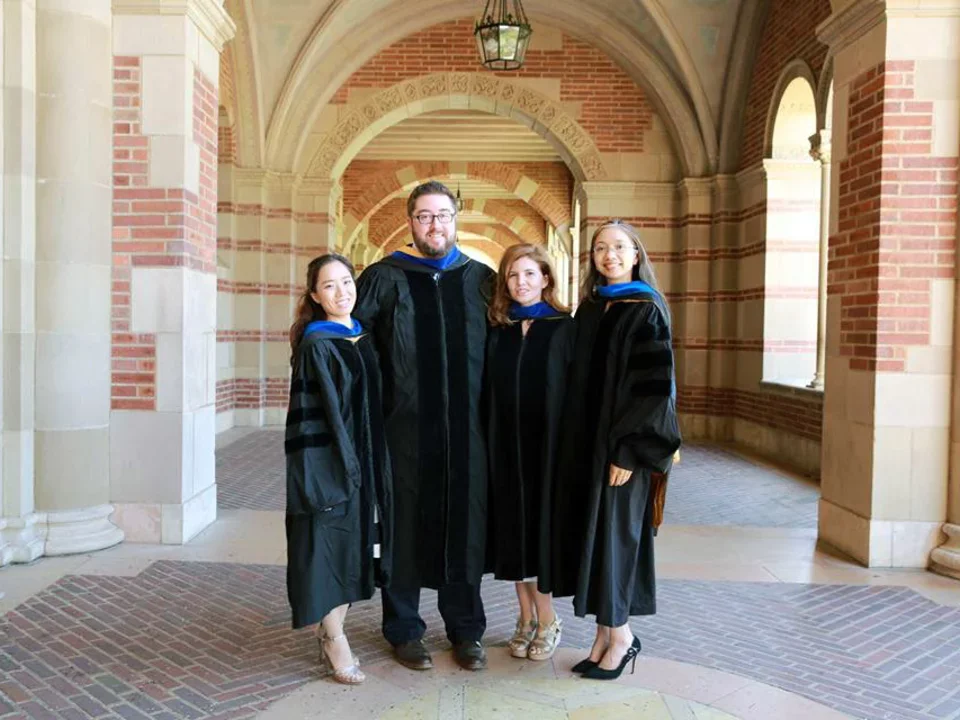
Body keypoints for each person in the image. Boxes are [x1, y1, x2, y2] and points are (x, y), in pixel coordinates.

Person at [354, 181, 495, 672]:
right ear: (410, 222)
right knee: (403, 526)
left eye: (442, 215)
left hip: (468, 435)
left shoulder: (481, 280)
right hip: (405, 432)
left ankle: (466, 630)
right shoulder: (383, 278)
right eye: (424, 216)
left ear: (456, 220)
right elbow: (356, 346)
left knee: (465, 525)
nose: (434, 225)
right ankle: (404, 629)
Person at [553, 219, 681, 681]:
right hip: (587, 447)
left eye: (619, 247)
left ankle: (622, 636)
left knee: (616, 540)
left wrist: (629, 451)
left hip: (623, 451)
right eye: (600, 248)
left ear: (636, 254)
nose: (609, 255)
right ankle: (605, 634)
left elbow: (654, 391)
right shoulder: (591, 309)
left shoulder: (646, 310)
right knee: (596, 538)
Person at [285, 253, 393, 685]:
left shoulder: (363, 336)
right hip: (331, 465)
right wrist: (327, 472)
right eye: (329, 285)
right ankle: (334, 638)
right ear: (315, 295)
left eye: (346, 281)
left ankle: (331, 629)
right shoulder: (317, 345)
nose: (341, 292)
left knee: (354, 550)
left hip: (368, 463)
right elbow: (310, 420)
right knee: (327, 548)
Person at [485, 244, 574, 661]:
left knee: (540, 534)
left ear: (546, 278)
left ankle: (548, 617)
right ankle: (524, 618)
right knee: (513, 535)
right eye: (513, 275)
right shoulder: (499, 329)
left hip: (548, 449)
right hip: (504, 446)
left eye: (529, 274)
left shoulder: (563, 328)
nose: (521, 283)